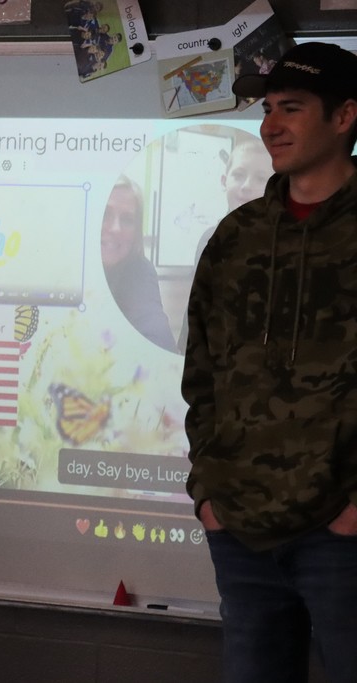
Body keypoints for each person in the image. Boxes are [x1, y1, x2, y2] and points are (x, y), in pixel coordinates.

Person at [182, 41, 357, 682]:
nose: (270, 126)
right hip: (242, 530)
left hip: (342, 532)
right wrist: (208, 491)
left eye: (292, 108)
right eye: (266, 110)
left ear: (344, 117)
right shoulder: (238, 236)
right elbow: (201, 375)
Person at [177, 138, 274, 351]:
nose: (247, 186)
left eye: (260, 178)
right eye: (239, 175)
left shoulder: (283, 243)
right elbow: (196, 309)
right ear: (224, 181)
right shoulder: (208, 239)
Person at [101, 175, 178, 351]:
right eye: (105, 214)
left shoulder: (141, 270)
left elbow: (153, 324)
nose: (115, 228)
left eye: (127, 220)